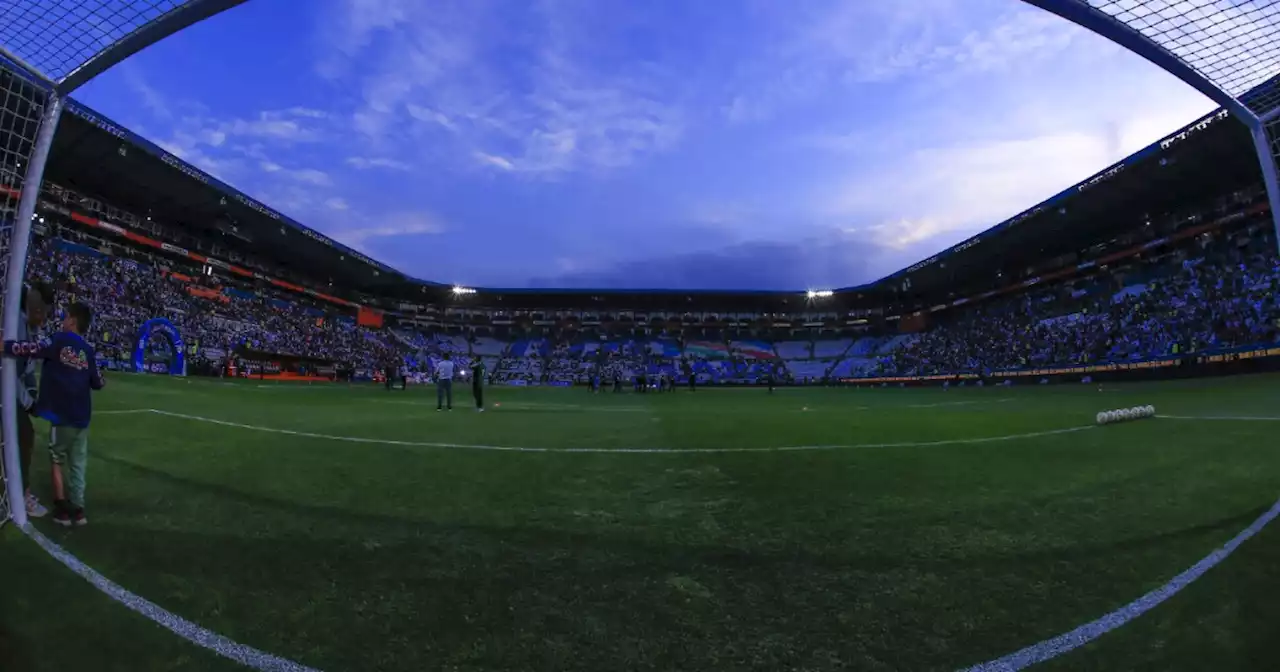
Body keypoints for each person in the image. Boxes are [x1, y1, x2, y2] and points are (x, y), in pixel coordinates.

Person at [4, 302, 105, 527]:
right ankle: (79, 511)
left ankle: (61, 509)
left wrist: (7, 346)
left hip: (61, 416)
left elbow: (31, 349)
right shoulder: (88, 350)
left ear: (73, 321)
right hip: (82, 419)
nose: (62, 319)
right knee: (78, 463)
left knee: (57, 459)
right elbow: (97, 382)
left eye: (65, 316)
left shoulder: (58, 340)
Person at [14, 282, 54, 518]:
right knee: (23, 435)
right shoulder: (15, 324)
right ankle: (20, 493)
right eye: (45, 315)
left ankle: (18, 490)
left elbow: (27, 370)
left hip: (12, 389)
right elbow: (8, 373)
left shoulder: (31, 328)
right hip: (6, 388)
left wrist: (34, 396)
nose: (45, 322)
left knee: (23, 435)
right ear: (38, 311)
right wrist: (29, 403)